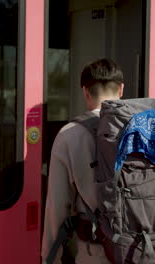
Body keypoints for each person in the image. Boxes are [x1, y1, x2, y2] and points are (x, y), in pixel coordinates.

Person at [41, 58, 124, 264]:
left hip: (97, 254)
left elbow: (57, 207)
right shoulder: (144, 128)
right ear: (121, 90)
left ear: (85, 92)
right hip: (146, 250)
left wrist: (50, 257)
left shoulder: (69, 135)